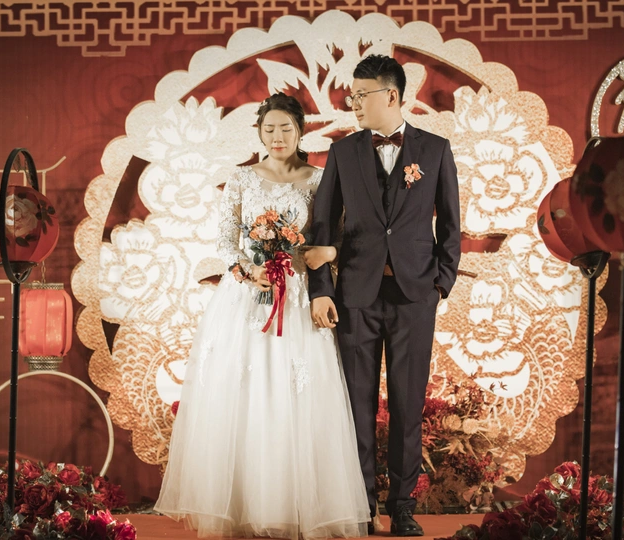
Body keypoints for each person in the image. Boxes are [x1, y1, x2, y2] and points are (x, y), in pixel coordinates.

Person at [155, 92, 370, 540]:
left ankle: (295, 507)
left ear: (300, 131)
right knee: (244, 394)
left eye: (286, 128)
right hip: (246, 297)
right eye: (269, 129)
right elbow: (225, 240)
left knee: (298, 394)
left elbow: (333, 236)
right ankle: (241, 506)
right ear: (258, 132)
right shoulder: (241, 179)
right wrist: (247, 269)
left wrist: (308, 261)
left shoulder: (319, 179)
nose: (277, 137)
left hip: (298, 295)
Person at [307, 55, 461, 537]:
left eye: (361, 95)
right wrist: (321, 290)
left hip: (415, 296)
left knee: (407, 405)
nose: (353, 104)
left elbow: (451, 224)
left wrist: (441, 284)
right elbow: (321, 226)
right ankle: (361, 504)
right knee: (356, 405)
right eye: (351, 96)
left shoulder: (435, 150)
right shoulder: (342, 153)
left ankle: (403, 506)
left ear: (391, 96)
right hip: (355, 295)